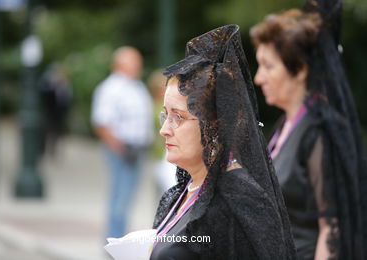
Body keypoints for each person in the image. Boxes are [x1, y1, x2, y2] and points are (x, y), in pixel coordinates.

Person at [150, 25, 296, 259]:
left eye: (177, 117)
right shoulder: (185, 190)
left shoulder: (239, 201)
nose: (164, 130)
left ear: (215, 125)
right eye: (165, 115)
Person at [250, 1, 367, 258]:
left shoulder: (321, 131)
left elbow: (333, 228)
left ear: (300, 69)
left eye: (268, 66)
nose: (259, 78)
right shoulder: (286, 125)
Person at [91, 46, 154, 238]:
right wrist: (120, 148)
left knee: (127, 198)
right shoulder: (111, 88)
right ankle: (114, 241)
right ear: (120, 64)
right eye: (134, 61)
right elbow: (102, 122)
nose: (139, 66)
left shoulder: (136, 86)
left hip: (137, 149)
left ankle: (118, 239)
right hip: (122, 150)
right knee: (119, 198)